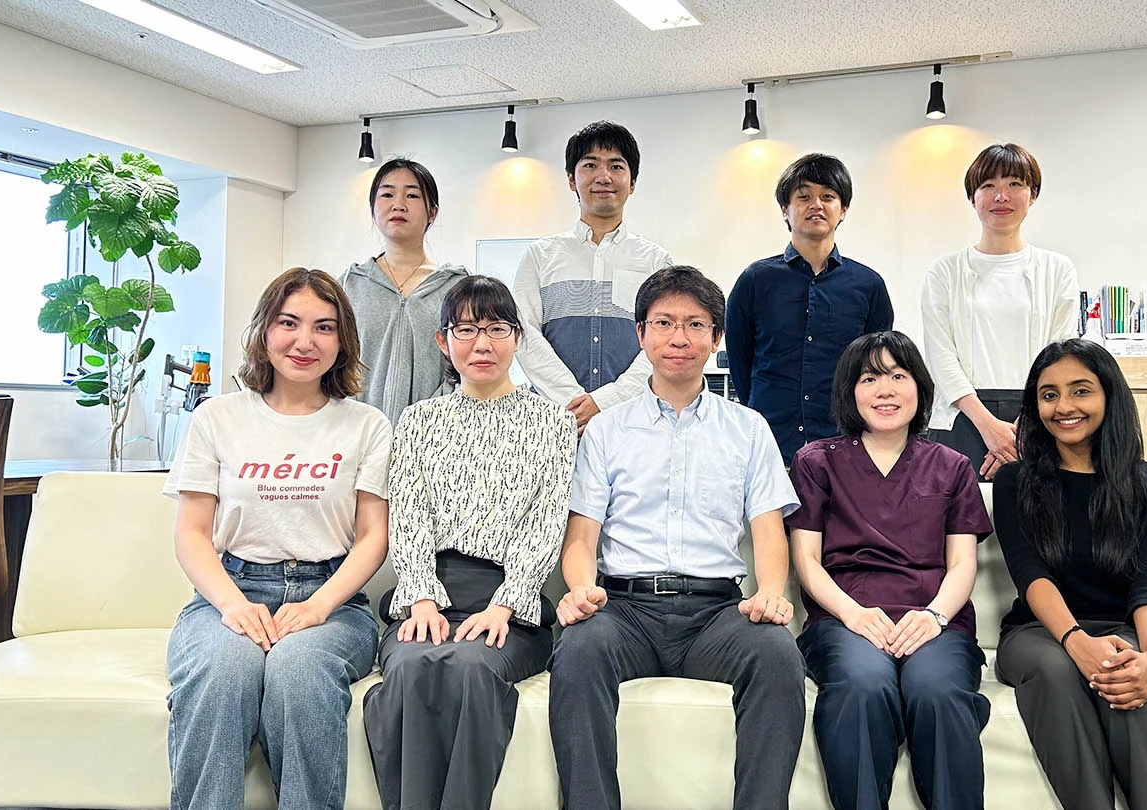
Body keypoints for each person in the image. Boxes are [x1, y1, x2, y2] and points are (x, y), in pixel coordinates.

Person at [548, 265, 807, 810]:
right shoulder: (606, 430)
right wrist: (578, 587)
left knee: (778, 655)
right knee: (578, 649)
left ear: (717, 339)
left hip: (716, 614)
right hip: (625, 610)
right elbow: (581, 536)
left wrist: (771, 593)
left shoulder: (747, 428)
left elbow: (768, 529)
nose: (679, 338)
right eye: (664, 323)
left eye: (695, 324)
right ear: (641, 335)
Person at [164, 267, 392, 810]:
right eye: (289, 322)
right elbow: (193, 534)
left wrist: (317, 607)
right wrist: (232, 605)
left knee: (298, 672)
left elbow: (372, 538)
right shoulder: (216, 417)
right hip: (232, 591)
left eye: (324, 327)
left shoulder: (366, 424)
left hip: (332, 600)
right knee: (223, 672)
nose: (305, 341)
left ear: (343, 341)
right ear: (265, 330)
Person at [362, 275, 576, 810]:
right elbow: (407, 518)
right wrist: (421, 598)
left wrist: (506, 604)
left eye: (497, 329)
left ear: (517, 337)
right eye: (466, 330)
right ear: (443, 341)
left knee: (473, 667)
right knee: (412, 666)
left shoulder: (551, 421)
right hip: (426, 593)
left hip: (511, 603)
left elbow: (547, 523)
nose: (482, 344)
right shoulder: (417, 421)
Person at [789, 331, 992, 810]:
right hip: (845, 621)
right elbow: (806, 561)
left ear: (919, 388)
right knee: (862, 686)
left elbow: (963, 562)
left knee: (937, 690)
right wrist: (854, 615)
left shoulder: (952, 465)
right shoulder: (816, 461)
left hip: (935, 621)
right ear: (849, 391)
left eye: (899, 376)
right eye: (870, 378)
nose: (885, 390)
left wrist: (935, 617)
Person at [992, 338, 1147, 810]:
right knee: (1061, 670)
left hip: (1141, 632)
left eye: (1081, 391)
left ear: (1109, 396)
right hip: (1041, 634)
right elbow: (1031, 574)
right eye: (1048, 394)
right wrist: (1077, 642)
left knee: (1126, 672)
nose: (1064, 407)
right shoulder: (1015, 481)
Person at [921, 143, 1080, 480]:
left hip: (1036, 417)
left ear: (1033, 194)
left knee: (1035, 524)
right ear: (973, 198)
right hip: (962, 414)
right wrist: (989, 427)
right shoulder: (944, 271)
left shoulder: (1057, 268)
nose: (1001, 196)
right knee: (960, 528)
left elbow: (1061, 354)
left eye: (1014, 184)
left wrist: (1026, 428)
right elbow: (940, 355)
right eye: (988, 186)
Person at [727, 153, 894, 465]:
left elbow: (875, 367)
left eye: (827, 197)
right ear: (785, 210)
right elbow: (740, 360)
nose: (816, 205)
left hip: (844, 442)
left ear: (843, 210)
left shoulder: (868, 285)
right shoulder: (755, 280)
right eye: (803, 196)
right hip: (769, 442)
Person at [513, 121, 673, 434]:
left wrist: (606, 401)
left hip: (633, 421)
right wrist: (572, 402)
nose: (604, 176)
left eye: (616, 165)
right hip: (554, 422)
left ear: (633, 182)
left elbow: (662, 340)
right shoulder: (540, 256)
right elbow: (524, 333)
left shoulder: (655, 261)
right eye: (590, 165)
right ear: (572, 179)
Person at [341, 157, 469, 424]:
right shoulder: (349, 284)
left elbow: (464, 368)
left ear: (432, 212)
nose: (398, 204)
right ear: (373, 208)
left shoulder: (456, 287)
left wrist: (431, 420)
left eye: (412, 195)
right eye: (387, 194)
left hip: (434, 435)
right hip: (356, 433)